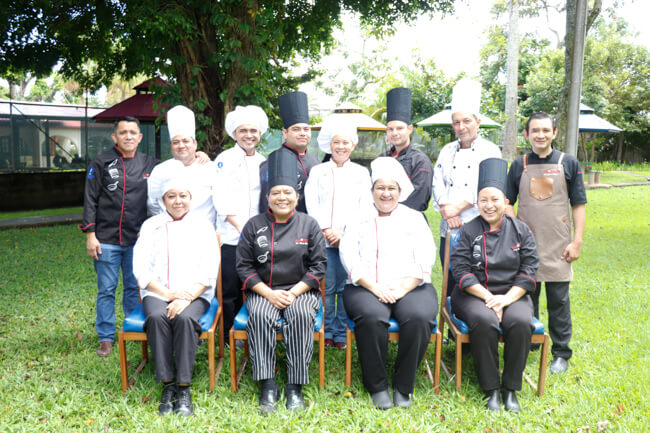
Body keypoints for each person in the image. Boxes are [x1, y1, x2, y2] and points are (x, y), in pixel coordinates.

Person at [340, 157, 438, 410]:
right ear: (372, 191)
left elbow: (426, 255)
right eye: (380, 188)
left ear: (400, 191)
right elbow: (348, 255)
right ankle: (377, 385)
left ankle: (403, 385)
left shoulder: (415, 218)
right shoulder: (357, 217)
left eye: (391, 188)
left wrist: (404, 287)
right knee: (372, 317)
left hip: (411, 285)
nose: (386, 193)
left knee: (418, 316)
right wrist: (375, 287)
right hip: (366, 286)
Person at [236, 150, 327, 414]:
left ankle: (295, 386)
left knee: (299, 315)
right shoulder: (254, 225)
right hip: (263, 291)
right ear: (268, 197)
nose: (282, 197)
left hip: (302, 291)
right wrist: (269, 294)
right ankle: (267, 385)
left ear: (297, 197)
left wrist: (295, 292)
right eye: (276, 193)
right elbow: (243, 266)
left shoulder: (310, 225)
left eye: (288, 192)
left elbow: (319, 265)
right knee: (261, 317)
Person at [451, 158, 539, 413]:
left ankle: (510, 389)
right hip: (473, 294)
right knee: (486, 321)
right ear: (477, 203)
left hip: (513, 294)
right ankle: (491, 388)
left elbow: (529, 270)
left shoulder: (521, 230)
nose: (489, 206)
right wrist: (489, 298)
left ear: (505, 202)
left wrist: (505, 300)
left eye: (495, 199)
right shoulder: (469, 230)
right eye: (483, 200)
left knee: (521, 322)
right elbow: (461, 271)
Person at [506, 112, 587, 374]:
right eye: (534, 131)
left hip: (558, 245)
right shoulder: (520, 165)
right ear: (527, 134)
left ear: (554, 133)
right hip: (526, 245)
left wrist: (577, 242)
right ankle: (530, 341)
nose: (540, 135)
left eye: (545, 130)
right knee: (527, 297)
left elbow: (579, 205)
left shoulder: (568, 163)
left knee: (558, 302)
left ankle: (561, 353)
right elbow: (507, 202)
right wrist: (515, 229)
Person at [133, 177, 219, 416]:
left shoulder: (203, 225)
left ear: (191, 198)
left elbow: (209, 268)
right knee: (157, 318)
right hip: (158, 291)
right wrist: (168, 294)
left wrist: (186, 298)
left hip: (195, 293)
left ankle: (183, 387)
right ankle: (167, 383)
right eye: (171, 196)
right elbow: (140, 267)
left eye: (183, 195)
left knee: (185, 319)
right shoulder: (151, 225)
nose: (177, 201)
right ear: (162, 200)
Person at [79, 116, 159, 357]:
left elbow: (178, 167)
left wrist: (200, 157)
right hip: (106, 239)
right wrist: (91, 235)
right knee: (106, 289)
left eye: (133, 132)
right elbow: (90, 199)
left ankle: (132, 328)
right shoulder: (101, 163)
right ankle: (106, 337)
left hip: (137, 240)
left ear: (140, 137)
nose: (128, 136)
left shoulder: (150, 164)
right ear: (114, 136)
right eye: (123, 132)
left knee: (134, 288)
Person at [304, 119, 373, 350]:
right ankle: (325, 329)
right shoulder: (318, 171)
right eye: (336, 142)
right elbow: (311, 202)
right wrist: (325, 229)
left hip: (350, 239)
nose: (341, 147)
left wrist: (344, 233)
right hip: (323, 239)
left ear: (353, 145)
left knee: (345, 287)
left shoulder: (362, 173)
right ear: (329, 145)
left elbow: (365, 206)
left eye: (345, 142)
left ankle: (341, 330)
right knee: (326, 286)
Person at [432, 78, 501, 295]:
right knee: (450, 281)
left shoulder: (491, 151)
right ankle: (453, 328)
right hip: (449, 227)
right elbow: (437, 182)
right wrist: (446, 209)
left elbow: (490, 187)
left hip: (478, 225)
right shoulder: (447, 150)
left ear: (478, 122)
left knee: (477, 280)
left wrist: (458, 208)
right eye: (456, 122)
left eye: (466, 121)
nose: (461, 127)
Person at [213, 105, 268, 334]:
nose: (249, 135)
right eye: (243, 130)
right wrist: (242, 227)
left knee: (256, 287)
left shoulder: (264, 161)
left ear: (260, 134)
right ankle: (227, 337)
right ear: (234, 134)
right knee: (229, 290)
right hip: (230, 237)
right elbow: (220, 198)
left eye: (253, 130)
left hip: (259, 237)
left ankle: (251, 333)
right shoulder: (224, 159)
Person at [147, 105, 218, 227]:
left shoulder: (210, 168)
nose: (181, 145)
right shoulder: (160, 170)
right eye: (176, 142)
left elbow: (220, 203)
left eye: (186, 141)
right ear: (171, 146)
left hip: (203, 233)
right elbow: (152, 202)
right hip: (168, 232)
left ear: (195, 144)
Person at [258, 91, 319, 213]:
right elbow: (266, 203)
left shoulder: (315, 161)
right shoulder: (275, 160)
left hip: (313, 226)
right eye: (296, 129)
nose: (302, 133)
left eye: (306, 129)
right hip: (285, 227)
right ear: (285, 133)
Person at [380, 87, 434, 213]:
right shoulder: (380, 160)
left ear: (409, 129)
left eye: (399, 128)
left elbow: (419, 199)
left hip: (411, 222)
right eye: (390, 129)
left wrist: (389, 211)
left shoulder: (421, 161)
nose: (394, 133)